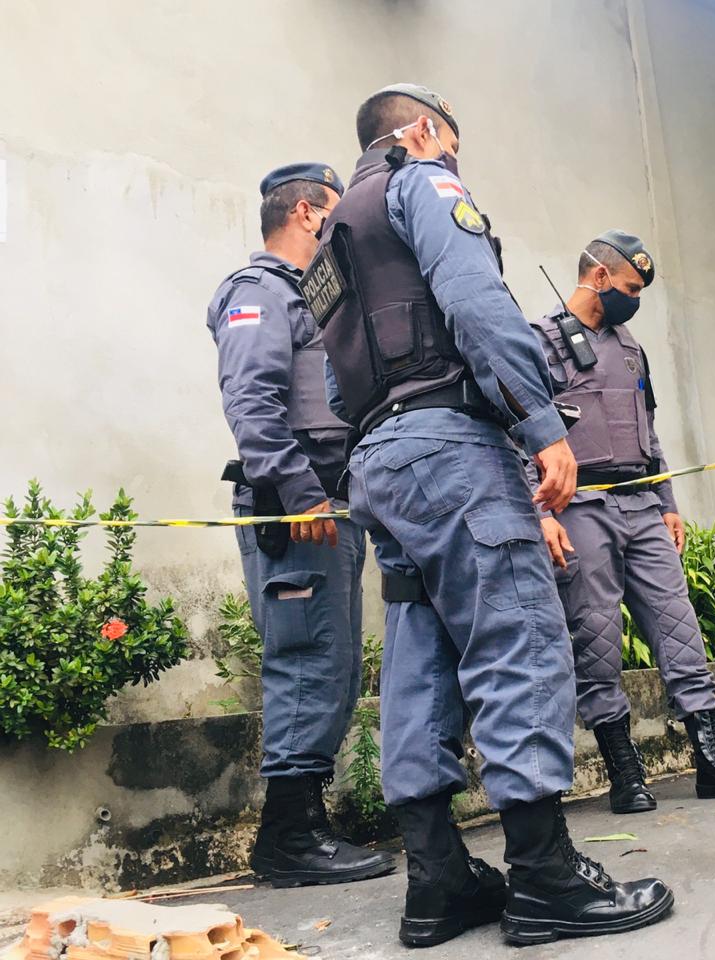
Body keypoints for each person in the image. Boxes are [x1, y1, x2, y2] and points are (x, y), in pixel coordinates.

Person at [314, 85, 672, 948]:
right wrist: (543, 425)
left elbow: (332, 380)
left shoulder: (332, 237)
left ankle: (436, 883)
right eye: (454, 146)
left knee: (419, 660)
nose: (456, 162)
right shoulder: (423, 182)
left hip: (379, 462)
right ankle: (545, 876)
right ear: (425, 130)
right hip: (450, 445)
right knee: (517, 634)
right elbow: (478, 304)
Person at [530, 231, 715, 815]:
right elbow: (521, 436)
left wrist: (668, 502)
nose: (634, 299)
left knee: (679, 628)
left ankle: (714, 760)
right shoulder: (537, 343)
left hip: (642, 504)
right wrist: (539, 512)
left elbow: (651, 432)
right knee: (597, 640)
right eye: (630, 288)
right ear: (598, 277)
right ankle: (624, 772)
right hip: (579, 505)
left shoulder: (630, 347)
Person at [206, 163, 394, 889]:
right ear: (313, 215)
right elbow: (250, 402)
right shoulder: (257, 293)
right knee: (308, 662)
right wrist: (297, 492)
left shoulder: (314, 299)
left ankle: (302, 824)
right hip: (297, 511)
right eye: (339, 217)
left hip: (329, 504)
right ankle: (288, 838)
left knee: (336, 667)